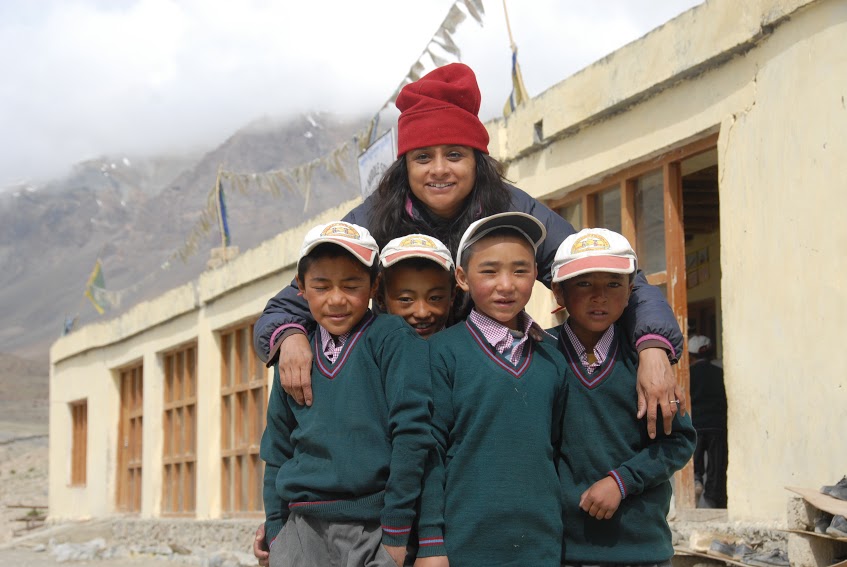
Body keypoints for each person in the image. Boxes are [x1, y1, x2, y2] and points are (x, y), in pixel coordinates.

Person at [253, 62, 686, 441]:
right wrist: (290, 337)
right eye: (423, 157)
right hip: (397, 395)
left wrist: (652, 348)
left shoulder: (515, 211)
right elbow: (297, 298)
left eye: (455, 154)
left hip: (489, 388)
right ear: (405, 165)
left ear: (477, 159)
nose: (439, 169)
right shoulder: (373, 219)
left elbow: (609, 278)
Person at [260, 221, 433, 567]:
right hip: (301, 533)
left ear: (374, 285)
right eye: (321, 286)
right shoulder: (295, 355)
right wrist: (277, 531)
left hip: (373, 529)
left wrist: (397, 533)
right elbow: (278, 449)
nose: (336, 299)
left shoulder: (391, 339)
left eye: (351, 285)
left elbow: (412, 436)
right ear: (301, 288)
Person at [414, 212, 568, 566]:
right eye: (489, 271)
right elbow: (430, 455)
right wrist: (431, 543)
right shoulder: (441, 354)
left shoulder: (553, 358)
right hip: (464, 545)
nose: (506, 285)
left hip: (540, 545)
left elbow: (555, 448)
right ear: (462, 278)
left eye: (520, 270)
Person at [549, 228, 697, 567]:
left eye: (614, 284)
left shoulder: (648, 364)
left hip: (639, 549)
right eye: (584, 284)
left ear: (631, 291)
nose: (599, 296)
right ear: (559, 291)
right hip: (561, 550)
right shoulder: (540, 356)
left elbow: (678, 442)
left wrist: (622, 481)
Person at [375, 233, 456, 339]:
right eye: (406, 299)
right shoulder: (369, 352)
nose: (422, 313)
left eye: (435, 298)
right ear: (380, 299)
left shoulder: (463, 350)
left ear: (452, 296)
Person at [689, 334, 728, 508]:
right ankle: (713, 497)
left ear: (690, 355)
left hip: (696, 423)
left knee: (694, 458)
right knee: (716, 463)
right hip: (717, 424)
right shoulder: (720, 373)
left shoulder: (688, 374)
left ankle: (696, 480)